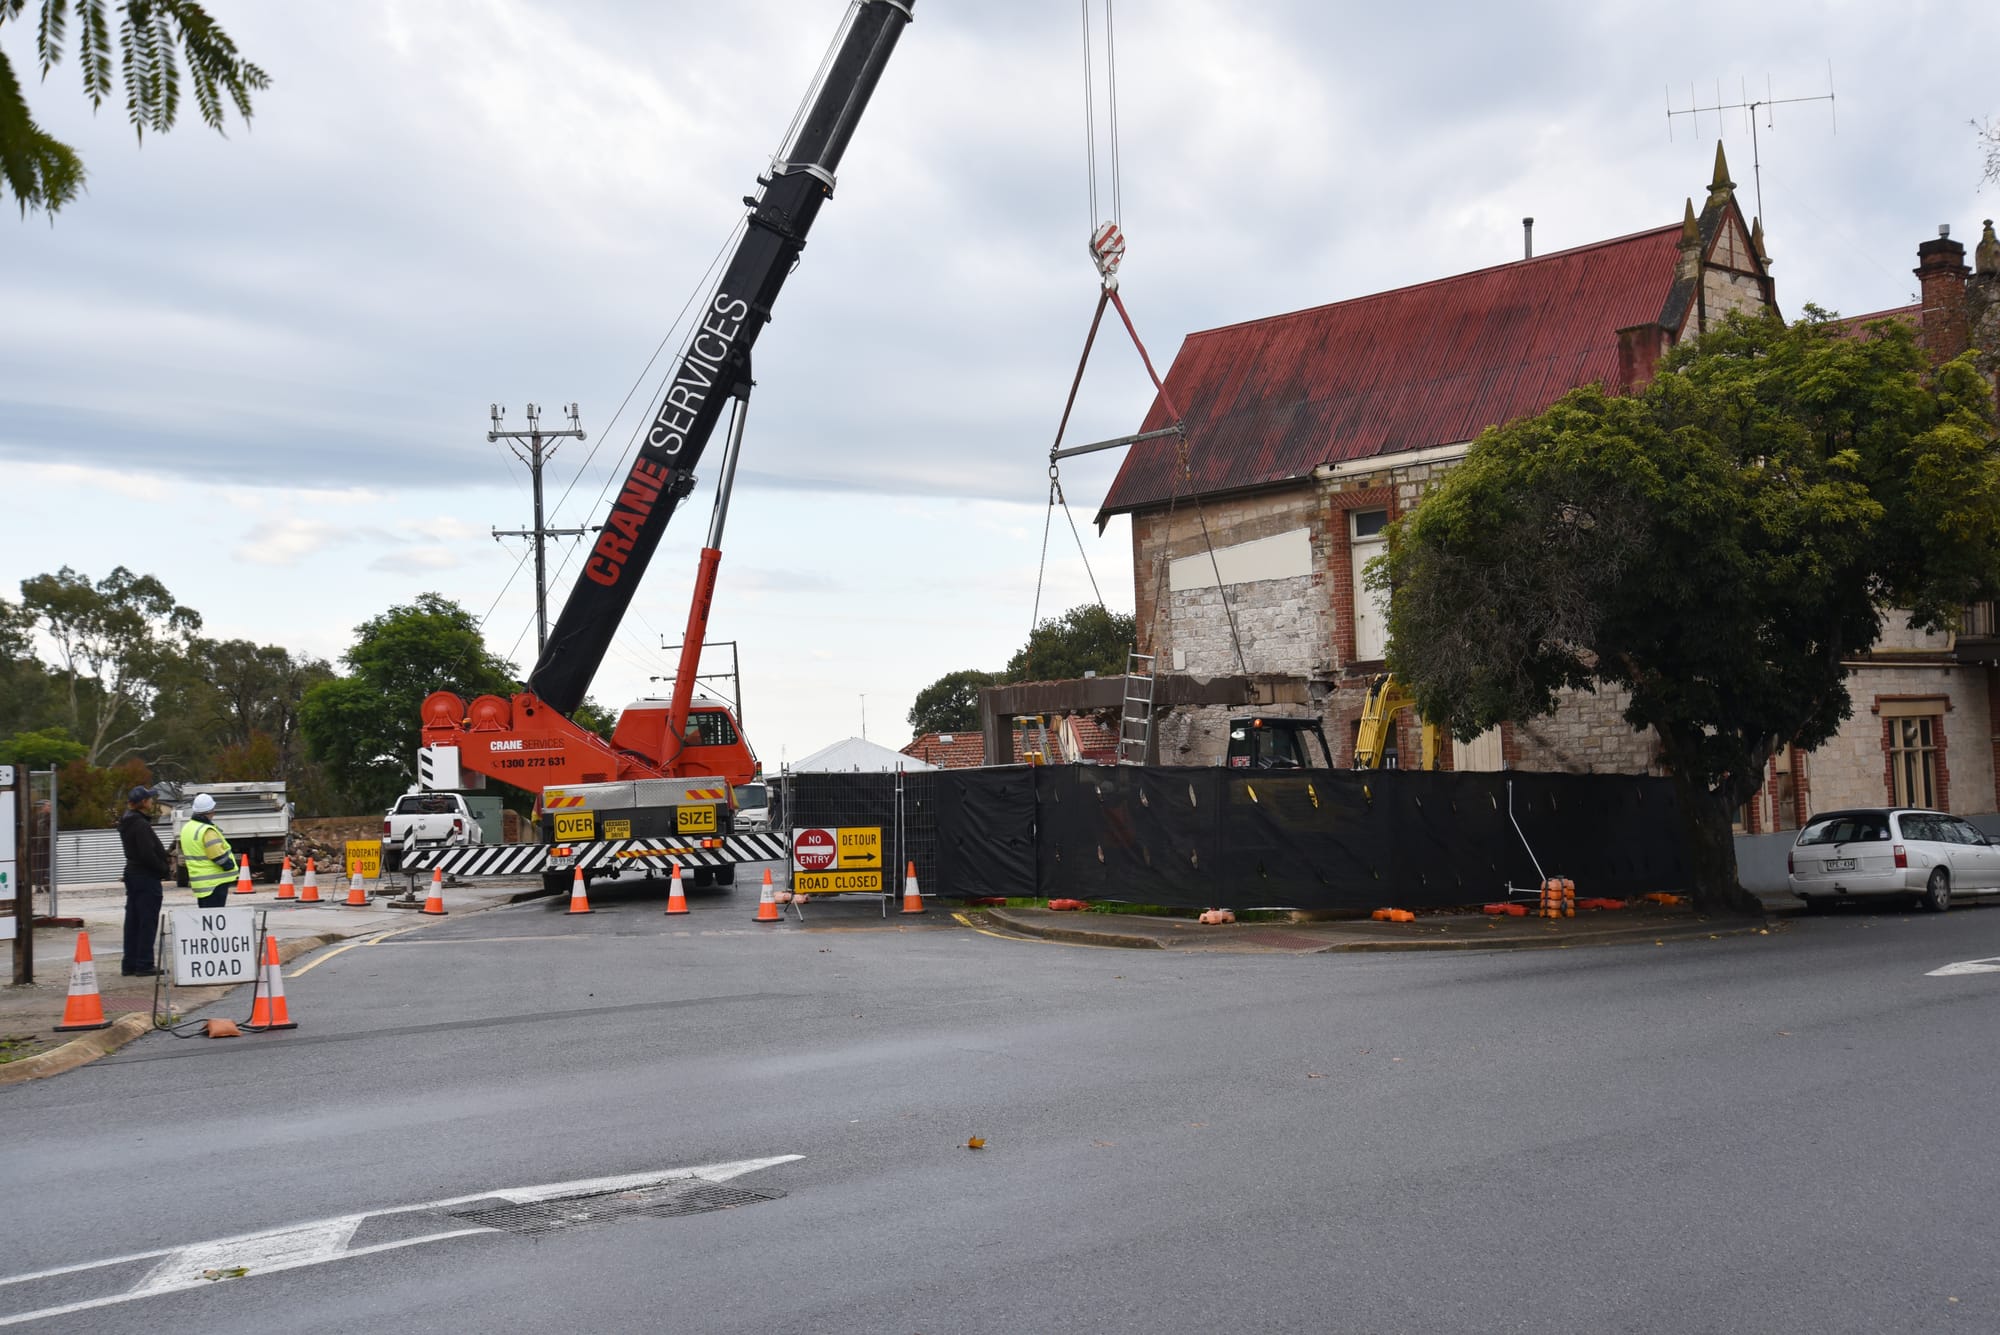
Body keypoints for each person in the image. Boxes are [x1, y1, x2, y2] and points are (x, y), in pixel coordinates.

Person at [117, 786, 172, 976]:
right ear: (142, 803)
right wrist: (163, 868)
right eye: (149, 798)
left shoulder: (128, 821)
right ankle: (144, 963)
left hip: (133, 874)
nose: (151, 801)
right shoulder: (139, 824)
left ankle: (130, 962)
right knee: (147, 920)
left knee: (133, 919)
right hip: (145, 876)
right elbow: (146, 853)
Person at [178, 792, 240, 910]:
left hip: (201, 883)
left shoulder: (188, 828)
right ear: (210, 811)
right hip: (215, 882)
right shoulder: (207, 830)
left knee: (206, 919)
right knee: (215, 916)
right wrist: (229, 865)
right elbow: (217, 855)